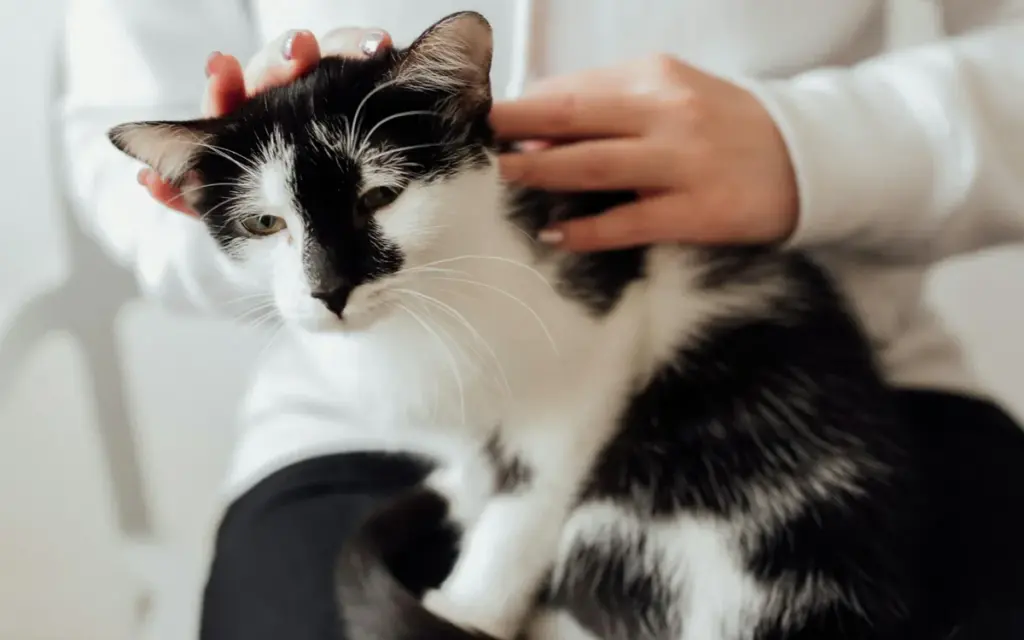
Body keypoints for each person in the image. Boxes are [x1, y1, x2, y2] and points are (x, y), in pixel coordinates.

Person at [61, 1, 1024, 638]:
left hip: (822, 374)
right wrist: (214, 194)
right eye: (271, 227)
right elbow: (111, 151)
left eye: (376, 200)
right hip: (347, 424)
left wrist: (812, 145)